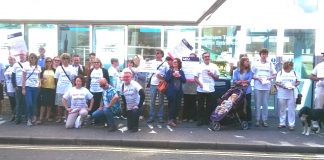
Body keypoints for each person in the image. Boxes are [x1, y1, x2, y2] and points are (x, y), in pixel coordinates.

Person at [251, 48, 277, 127]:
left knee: (265, 104)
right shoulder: (255, 63)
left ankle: (265, 120)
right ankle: (258, 120)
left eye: (265, 54)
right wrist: (258, 78)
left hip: (266, 86)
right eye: (262, 54)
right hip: (258, 86)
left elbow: (275, 74)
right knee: (257, 104)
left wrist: (269, 78)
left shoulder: (270, 64)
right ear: (260, 55)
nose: (264, 55)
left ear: (267, 55)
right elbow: (251, 75)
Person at [194, 52, 220, 126]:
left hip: (211, 89)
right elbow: (195, 78)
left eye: (208, 56)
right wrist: (200, 85)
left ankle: (208, 120)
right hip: (201, 89)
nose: (207, 58)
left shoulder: (214, 66)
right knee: (200, 105)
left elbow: (217, 78)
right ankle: (200, 120)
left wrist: (212, 74)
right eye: (205, 56)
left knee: (210, 105)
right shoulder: (198, 66)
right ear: (203, 58)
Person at [275, 61, 300, 131]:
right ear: (285, 66)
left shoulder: (294, 73)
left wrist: (293, 85)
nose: (290, 68)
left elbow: (298, 81)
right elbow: (277, 82)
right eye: (289, 66)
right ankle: (282, 123)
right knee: (282, 109)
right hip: (282, 92)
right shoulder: (280, 73)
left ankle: (291, 124)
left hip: (292, 93)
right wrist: (283, 86)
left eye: (291, 66)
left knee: (291, 109)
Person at [54, 53, 77, 123]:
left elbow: (73, 79)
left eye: (67, 58)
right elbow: (56, 78)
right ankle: (59, 117)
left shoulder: (72, 68)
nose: (65, 60)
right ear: (61, 60)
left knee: (68, 104)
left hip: (69, 88)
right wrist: (60, 84)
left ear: (69, 60)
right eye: (64, 58)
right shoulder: (58, 68)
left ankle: (66, 117)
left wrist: (73, 87)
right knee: (59, 104)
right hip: (60, 89)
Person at [147, 49, 168, 123]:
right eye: (155, 53)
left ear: (162, 54)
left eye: (158, 53)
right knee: (152, 101)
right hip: (153, 84)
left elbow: (167, 75)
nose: (156, 54)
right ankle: (151, 117)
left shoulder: (165, 64)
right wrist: (146, 61)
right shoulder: (151, 62)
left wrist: (161, 77)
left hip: (161, 84)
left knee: (161, 101)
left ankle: (160, 117)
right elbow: (146, 69)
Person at [22, 53, 42, 126]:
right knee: (29, 103)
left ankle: (34, 117)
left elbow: (39, 77)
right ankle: (29, 118)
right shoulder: (25, 66)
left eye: (34, 58)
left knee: (34, 103)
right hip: (28, 87)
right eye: (31, 57)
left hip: (36, 88)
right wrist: (23, 88)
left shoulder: (39, 67)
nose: (32, 59)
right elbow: (23, 78)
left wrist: (40, 83)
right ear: (29, 58)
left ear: (36, 59)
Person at [233, 56, 253, 127]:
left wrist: (240, 81)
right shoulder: (236, 71)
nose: (248, 62)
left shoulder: (250, 71)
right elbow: (234, 81)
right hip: (238, 91)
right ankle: (241, 120)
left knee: (248, 106)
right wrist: (242, 82)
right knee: (239, 106)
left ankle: (248, 120)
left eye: (248, 61)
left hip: (247, 91)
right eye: (246, 61)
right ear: (242, 62)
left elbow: (249, 81)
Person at [165, 58, 186, 126]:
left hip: (179, 91)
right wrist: (172, 75)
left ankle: (175, 119)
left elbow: (184, 81)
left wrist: (179, 76)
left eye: (176, 62)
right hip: (171, 91)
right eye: (174, 62)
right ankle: (170, 120)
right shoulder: (170, 71)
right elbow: (167, 80)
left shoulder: (181, 71)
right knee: (172, 105)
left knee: (178, 105)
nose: (174, 63)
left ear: (179, 63)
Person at [37, 57, 56, 124]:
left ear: (52, 62)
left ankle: (47, 118)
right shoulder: (43, 70)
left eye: (50, 61)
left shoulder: (54, 70)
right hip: (44, 88)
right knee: (43, 104)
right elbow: (38, 78)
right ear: (45, 62)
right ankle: (41, 118)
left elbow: (56, 79)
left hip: (52, 88)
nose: (49, 62)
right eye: (47, 61)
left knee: (49, 104)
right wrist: (41, 80)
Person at [12, 52, 27, 124]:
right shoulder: (15, 64)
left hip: (27, 86)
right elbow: (13, 76)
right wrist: (14, 86)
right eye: (20, 54)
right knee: (18, 103)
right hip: (18, 87)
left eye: (23, 54)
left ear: (25, 56)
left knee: (26, 103)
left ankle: (27, 118)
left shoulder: (28, 63)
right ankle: (18, 119)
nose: (21, 56)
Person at [182, 53, 198, 122]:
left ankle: (192, 117)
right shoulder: (184, 65)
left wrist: (194, 79)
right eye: (190, 57)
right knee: (186, 102)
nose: (191, 59)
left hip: (194, 86)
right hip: (186, 86)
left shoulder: (198, 66)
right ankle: (185, 117)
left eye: (193, 58)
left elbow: (199, 75)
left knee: (193, 103)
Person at [4, 56, 16, 121]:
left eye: (11, 59)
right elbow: (5, 79)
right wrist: (5, 87)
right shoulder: (7, 67)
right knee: (12, 102)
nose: (10, 61)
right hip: (8, 88)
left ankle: (16, 115)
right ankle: (13, 115)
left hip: (14, 88)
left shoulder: (16, 68)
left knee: (16, 102)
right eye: (9, 59)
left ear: (15, 60)